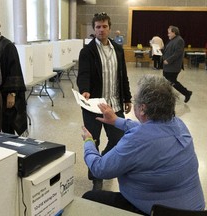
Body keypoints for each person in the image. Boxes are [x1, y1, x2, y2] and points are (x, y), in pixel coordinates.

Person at [81, 74, 205, 215]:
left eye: (135, 100)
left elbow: (100, 169)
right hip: (196, 210)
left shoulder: (136, 140)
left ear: (142, 108)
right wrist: (116, 120)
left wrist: (89, 142)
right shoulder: (179, 124)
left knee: (89, 198)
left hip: (160, 212)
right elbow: (150, 131)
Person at [76, 12, 132, 190]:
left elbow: (123, 76)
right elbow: (83, 74)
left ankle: (102, 164)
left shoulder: (118, 49)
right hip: (93, 105)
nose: (101, 29)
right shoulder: (87, 51)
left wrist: (127, 97)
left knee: (119, 138)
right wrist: (84, 90)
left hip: (114, 104)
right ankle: (96, 176)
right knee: (93, 141)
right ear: (94, 28)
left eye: (104, 26)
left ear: (109, 27)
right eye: (98, 26)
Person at [162, 25, 192, 103]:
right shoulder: (172, 40)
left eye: (169, 33)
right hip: (167, 66)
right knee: (168, 81)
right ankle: (167, 96)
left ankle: (187, 93)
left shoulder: (179, 40)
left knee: (172, 81)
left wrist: (168, 60)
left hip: (173, 66)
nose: (168, 34)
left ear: (174, 32)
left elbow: (177, 53)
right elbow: (168, 50)